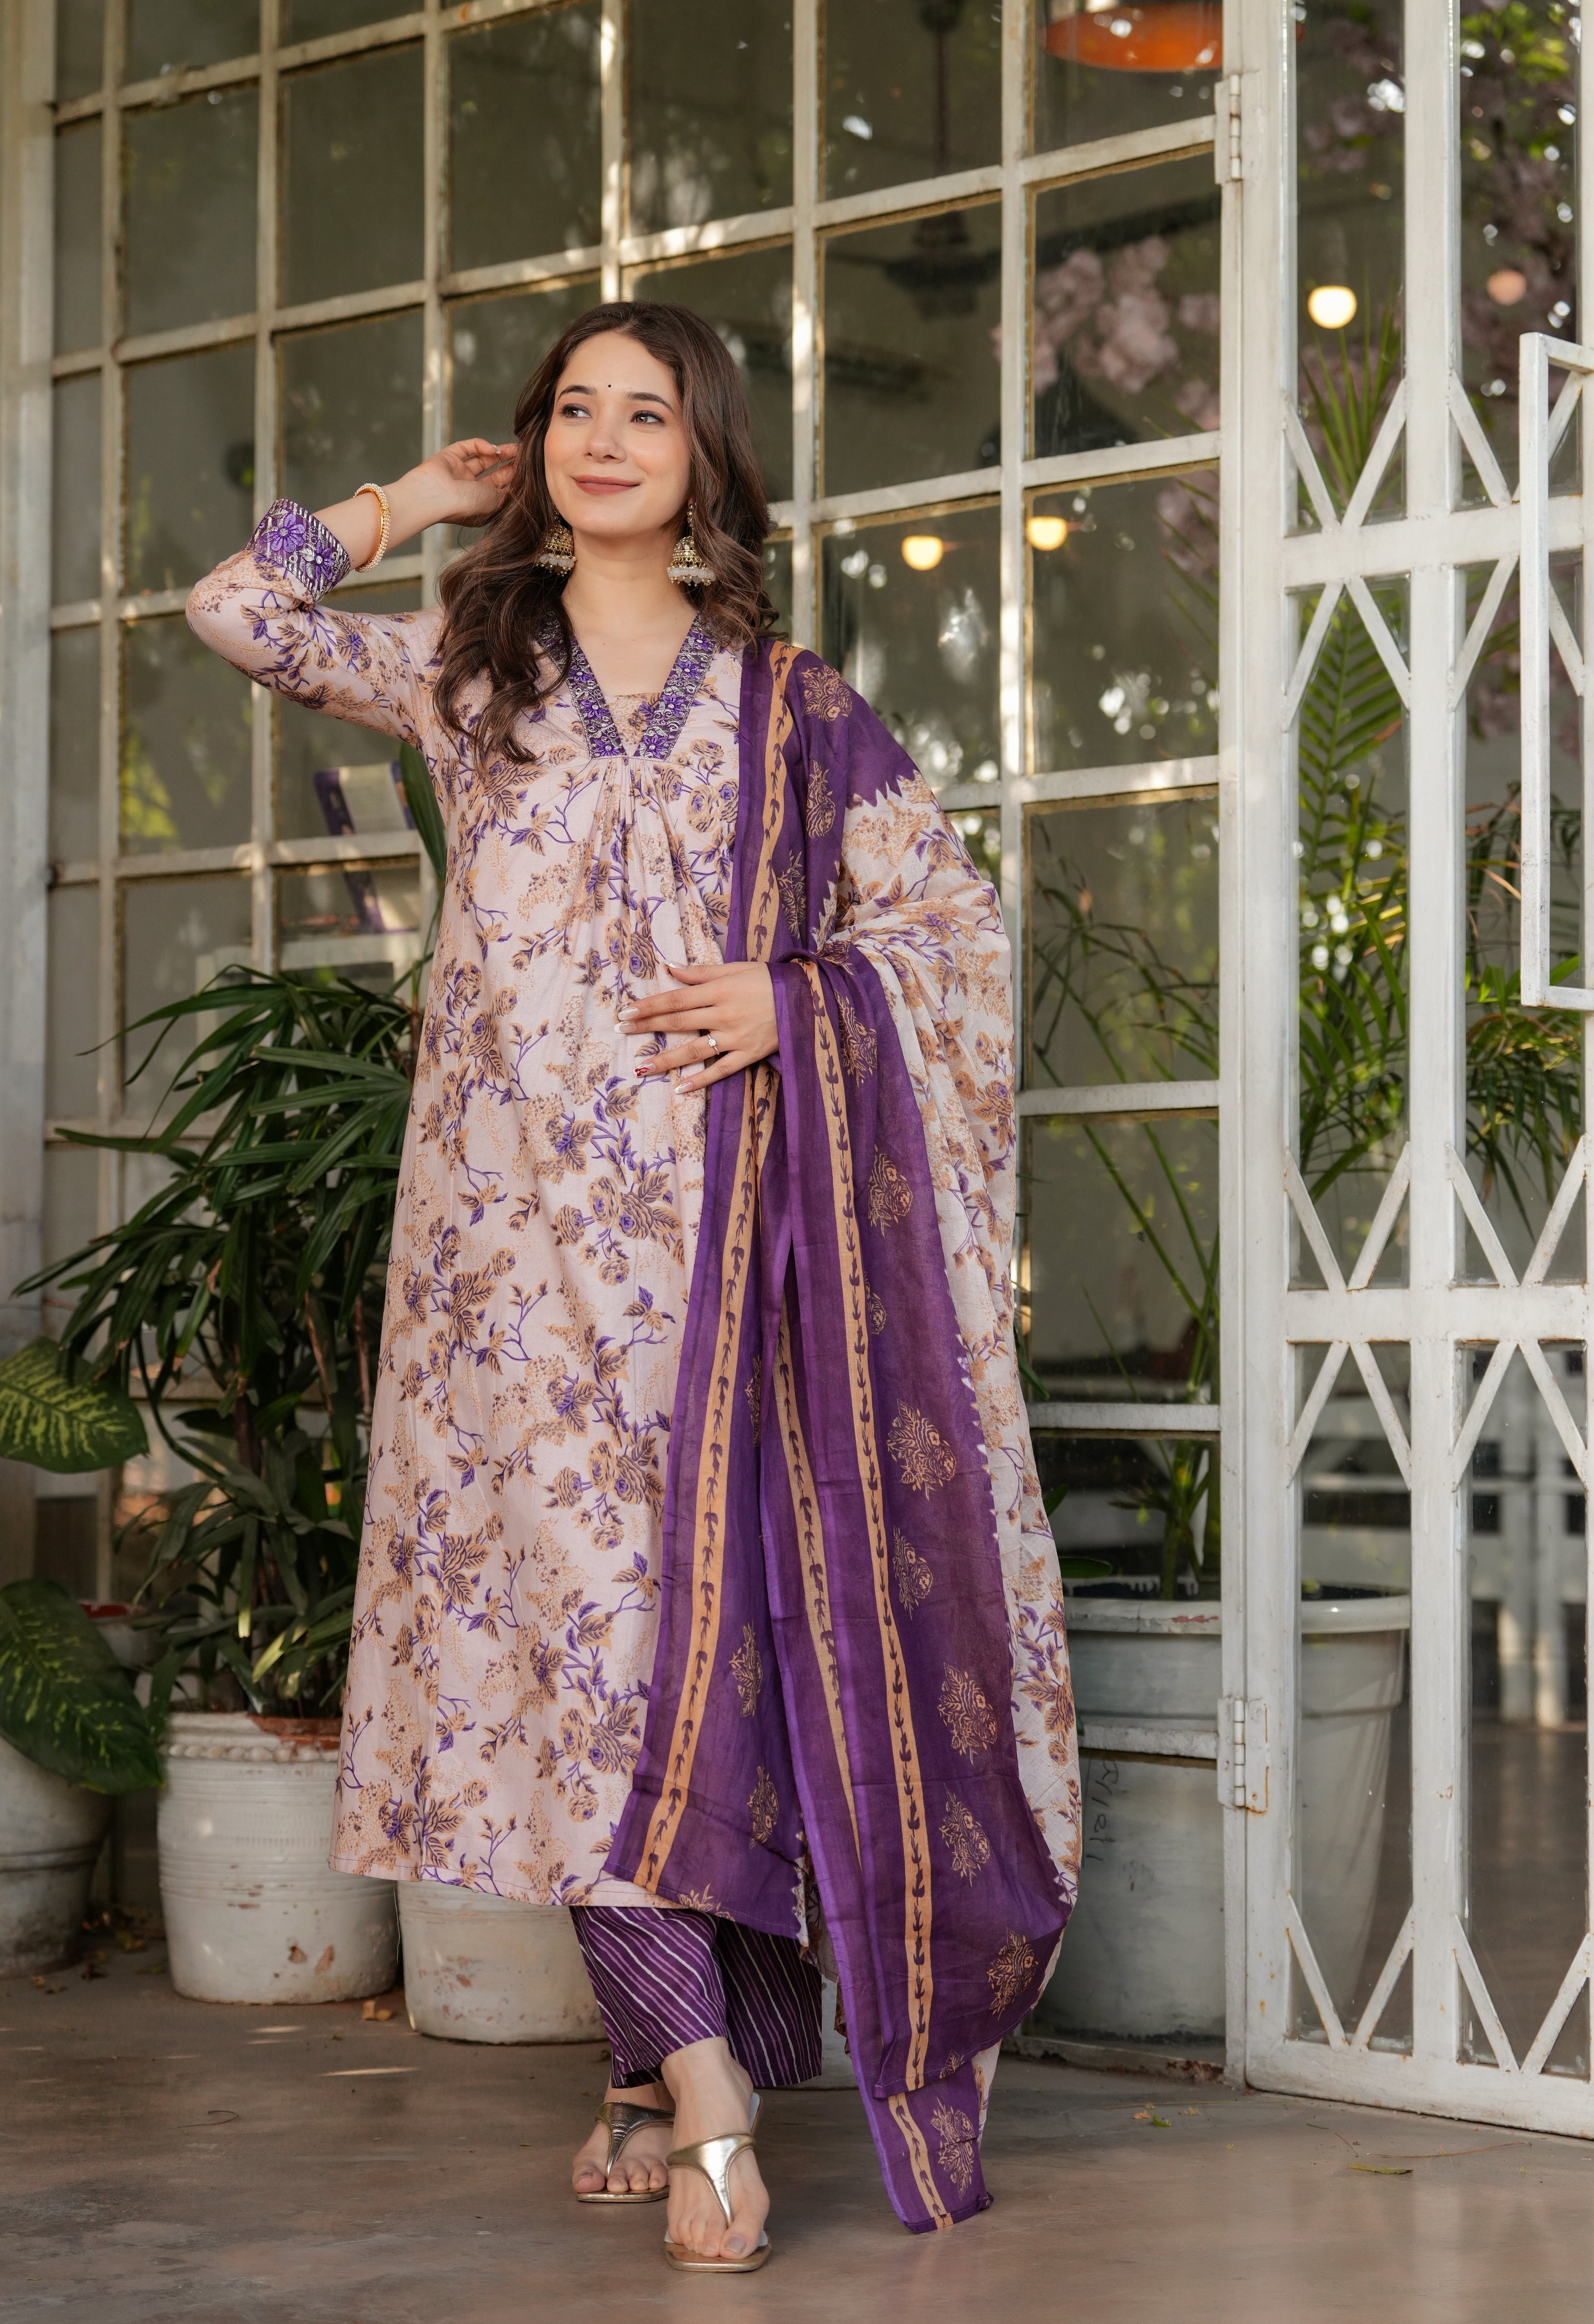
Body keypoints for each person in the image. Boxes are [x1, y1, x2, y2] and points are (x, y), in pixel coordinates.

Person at [187, 300, 1080, 2270]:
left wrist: (794, 996)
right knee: (583, 1656)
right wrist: (409, 500)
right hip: (509, 1266)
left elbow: (949, 929)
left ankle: (652, 2068)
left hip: (738, 1256)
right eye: (571, 410)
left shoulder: (793, 706)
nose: (600, 439)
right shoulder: (471, 666)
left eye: (644, 413)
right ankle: (702, 2092)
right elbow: (238, 612)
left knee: (711, 1647)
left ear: (705, 457)